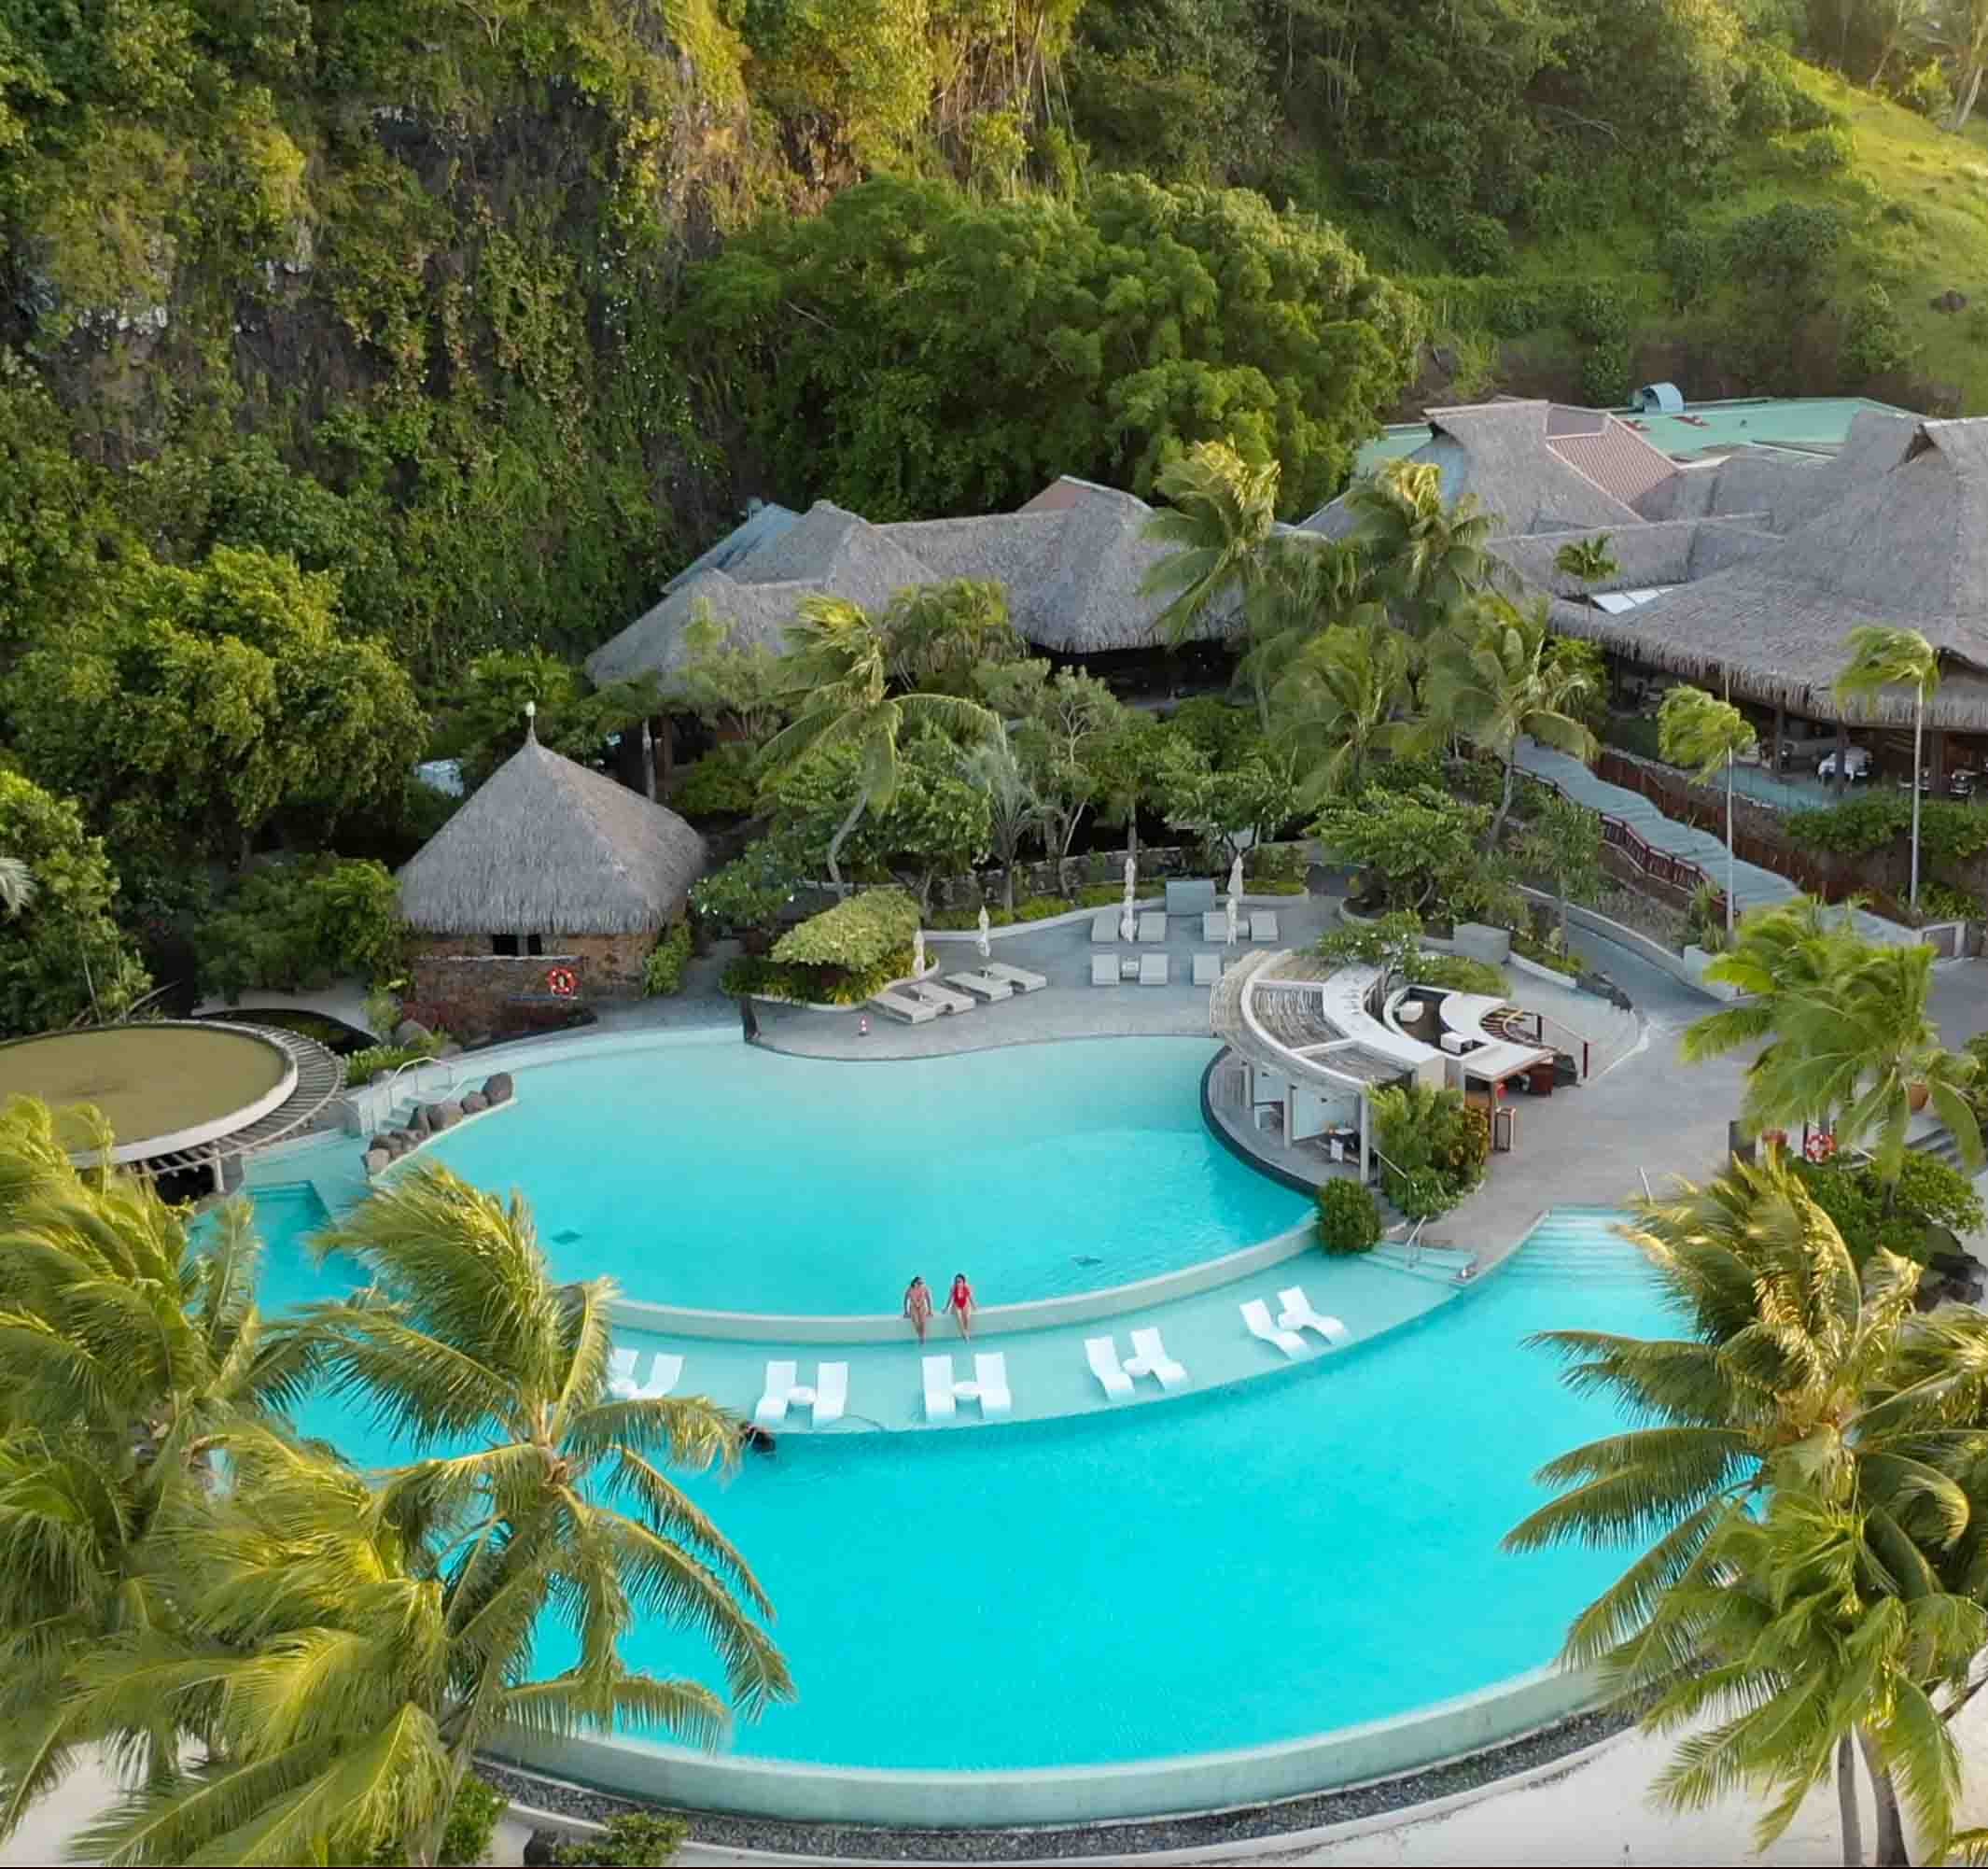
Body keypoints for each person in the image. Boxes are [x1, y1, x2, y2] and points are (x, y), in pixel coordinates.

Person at [944, 1271, 975, 1340]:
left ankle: (966, 1331)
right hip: (956, 1305)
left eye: (959, 1281)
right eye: (956, 1281)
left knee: (966, 1318)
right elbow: (949, 1299)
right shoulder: (953, 1288)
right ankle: (964, 1333)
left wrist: (974, 1306)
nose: (957, 1283)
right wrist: (946, 1308)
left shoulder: (967, 1287)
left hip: (965, 1304)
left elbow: (970, 1297)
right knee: (959, 1317)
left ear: (963, 1282)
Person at [903, 1275, 934, 1344]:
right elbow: (905, 1301)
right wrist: (906, 1312)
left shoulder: (925, 1288)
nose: (921, 1284)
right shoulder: (909, 1290)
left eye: (922, 1283)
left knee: (922, 1321)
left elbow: (929, 1299)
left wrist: (930, 1310)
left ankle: (922, 1337)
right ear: (914, 1283)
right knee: (916, 1322)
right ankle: (920, 1336)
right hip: (913, 1307)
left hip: (922, 1306)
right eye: (919, 1283)